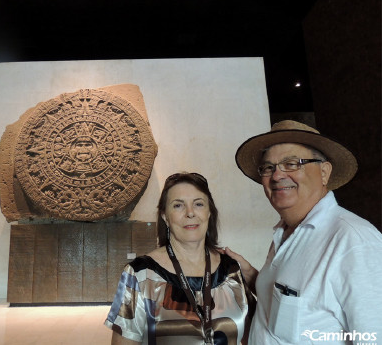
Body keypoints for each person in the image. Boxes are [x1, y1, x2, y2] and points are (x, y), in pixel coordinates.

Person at [228, 120, 382, 344]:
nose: (277, 175)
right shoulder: (285, 233)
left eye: (292, 163)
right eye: (268, 167)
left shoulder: (354, 241)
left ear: (324, 172)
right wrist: (252, 276)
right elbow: (289, 305)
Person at [105, 172, 255, 344]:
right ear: (165, 217)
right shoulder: (140, 274)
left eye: (198, 204)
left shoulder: (231, 270)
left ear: (209, 213)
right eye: (178, 206)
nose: (190, 213)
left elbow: (255, 334)